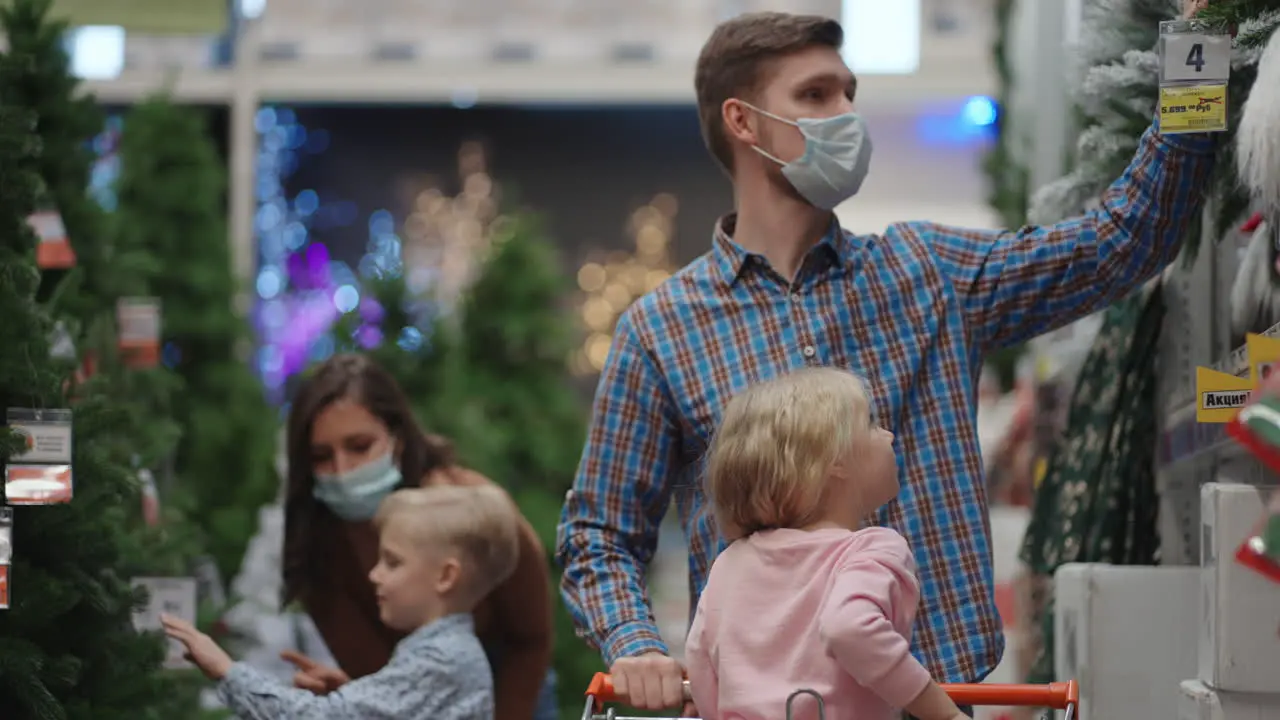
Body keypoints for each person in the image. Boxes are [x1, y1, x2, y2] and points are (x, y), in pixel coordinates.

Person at [556, 6, 1216, 711]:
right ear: (742, 123)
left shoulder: (929, 273)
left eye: (849, 94)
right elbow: (599, 533)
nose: (846, 114)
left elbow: (1123, 243)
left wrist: (1198, 53)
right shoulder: (663, 331)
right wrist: (635, 642)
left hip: (939, 697)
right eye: (815, 95)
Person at [279, 353, 555, 720]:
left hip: (511, 691)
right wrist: (353, 696)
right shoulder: (319, 545)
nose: (342, 470)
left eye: (359, 446)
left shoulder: (473, 512)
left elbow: (531, 637)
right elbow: (387, 684)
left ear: (398, 438)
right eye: (321, 455)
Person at [685, 368, 967, 720]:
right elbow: (850, 626)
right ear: (834, 460)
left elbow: (700, 660)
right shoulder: (871, 549)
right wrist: (946, 714)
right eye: (872, 423)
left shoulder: (730, 562)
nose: (890, 435)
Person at [162, 484, 519, 719]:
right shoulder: (445, 654)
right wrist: (353, 693)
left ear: (445, 577)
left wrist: (226, 670)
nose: (375, 575)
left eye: (393, 562)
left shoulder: (443, 659)